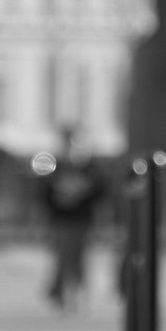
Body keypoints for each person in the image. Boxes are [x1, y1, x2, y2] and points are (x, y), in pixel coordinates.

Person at [35, 127, 108, 311]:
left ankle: (71, 293)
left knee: (79, 257)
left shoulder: (88, 167)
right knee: (64, 256)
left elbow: (100, 192)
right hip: (62, 219)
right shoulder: (55, 165)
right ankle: (63, 293)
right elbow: (44, 195)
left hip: (82, 218)